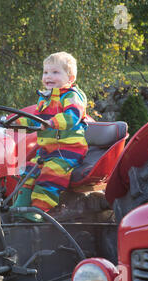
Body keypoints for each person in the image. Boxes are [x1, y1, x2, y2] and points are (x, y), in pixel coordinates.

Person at [11, 52, 88, 222]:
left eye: (55, 72)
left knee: (50, 175)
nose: (48, 76)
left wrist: (52, 123)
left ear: (70, 77)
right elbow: (36, 118)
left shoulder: (72, 96)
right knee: (27, 170)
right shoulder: (44, 98)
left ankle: (38, 210)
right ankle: (19, 206)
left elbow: (73, 115)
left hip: (68, 150)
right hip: (46, 149)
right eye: (45, 72)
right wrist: (16, 121)